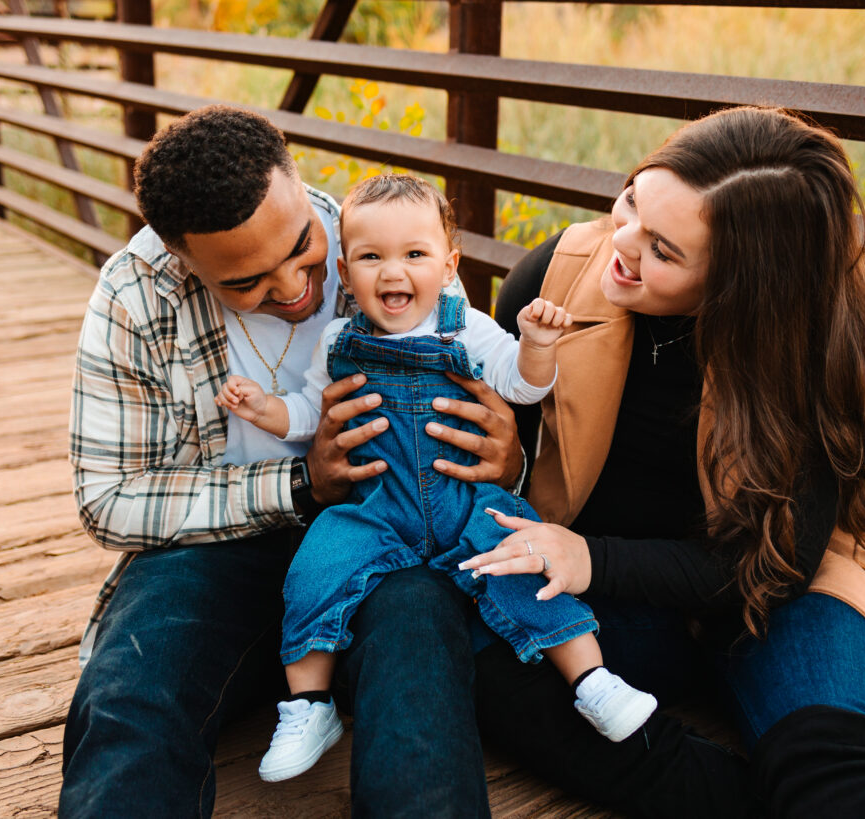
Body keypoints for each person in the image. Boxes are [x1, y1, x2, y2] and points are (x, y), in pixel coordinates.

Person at [462, 106, 865, 818]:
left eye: (663, 249)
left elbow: (774, 566)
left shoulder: (798, 353)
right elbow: (519, 461)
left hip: (787, 598)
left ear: (742, 287)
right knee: (471, 651)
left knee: (830, 761)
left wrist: (593, 557)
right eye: (630, 203)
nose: (620, 242)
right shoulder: (554, 280)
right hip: (628, 605)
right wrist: (507, 462)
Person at [61, 106, 524, 818]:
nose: (292, 286)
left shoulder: (385, 241)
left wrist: (508, 456)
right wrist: (300, 481)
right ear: (184, 259)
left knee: (418, 671)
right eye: (246, 281)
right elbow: (110, 497)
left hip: (386, 535)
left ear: (299, 184)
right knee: (133, 691)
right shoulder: (134, 293)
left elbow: (483, 396)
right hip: (215, 549)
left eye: (303, 245)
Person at [215, 173, 658, 783]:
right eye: (371, 257)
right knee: (315, 569)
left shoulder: (465, 328)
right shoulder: (339, 340)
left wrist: (536, 344)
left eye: (415, 254)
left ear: (448, 265)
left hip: (468, 500)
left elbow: (523, 385)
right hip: (378, 508)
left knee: (527, 565)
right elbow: (308, 412)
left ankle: (593, 680)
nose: (392, 272)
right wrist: (262, 407)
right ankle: (308, 706)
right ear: (346, 272)